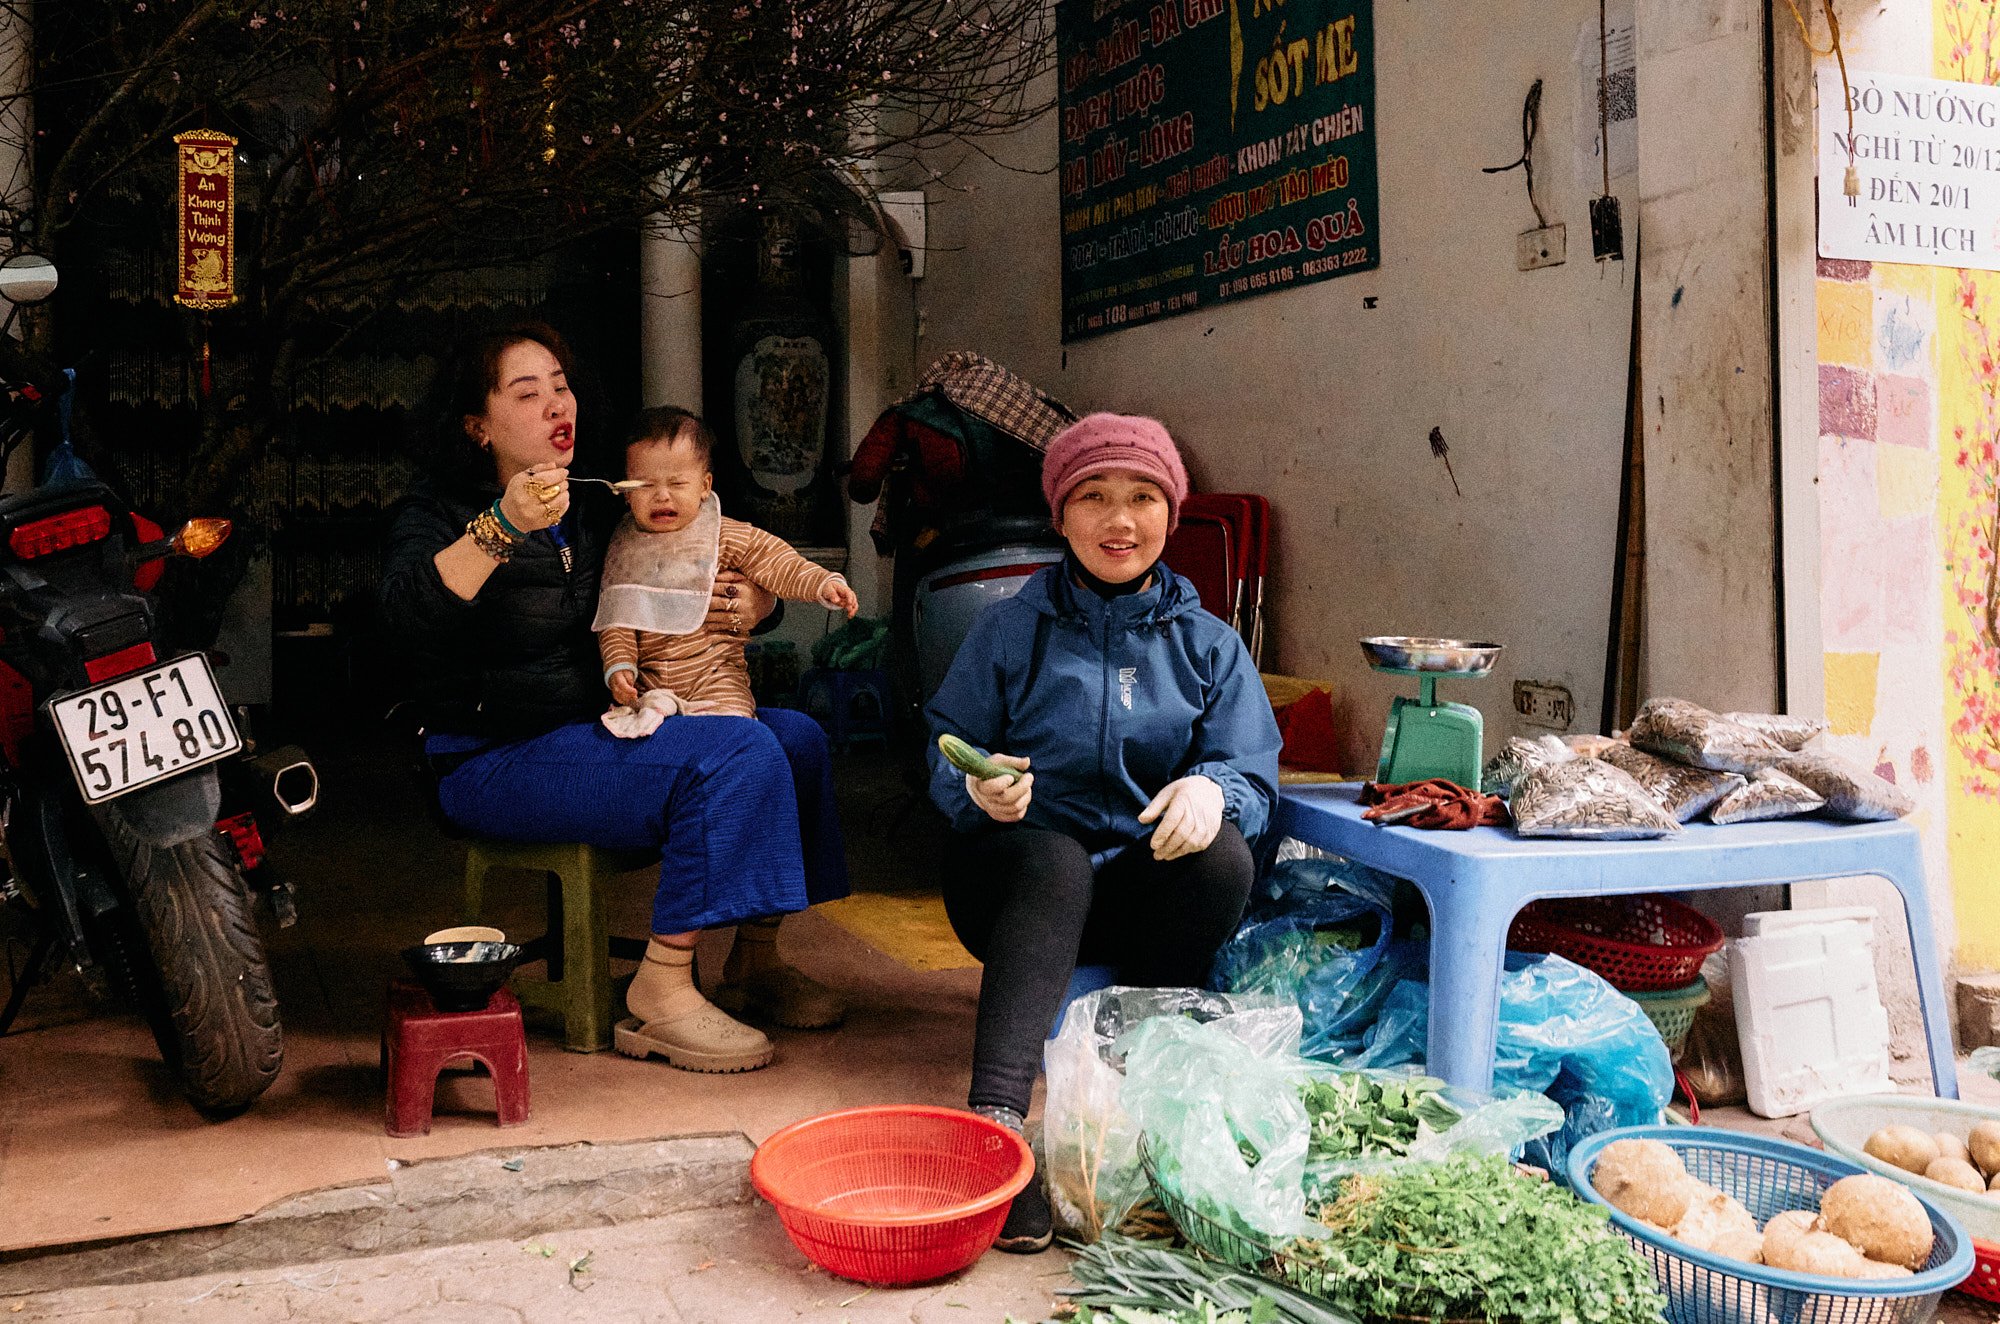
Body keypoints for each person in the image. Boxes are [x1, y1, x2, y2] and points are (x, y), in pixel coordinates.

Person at [378, 322, 849, 1076]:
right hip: (491, 758)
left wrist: (761, 603)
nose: (556, 404)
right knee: (735, 751)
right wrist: (501, 526)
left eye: (560, 385)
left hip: (598, 732)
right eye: (527, 394)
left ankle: (754, 961)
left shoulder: (599, 501)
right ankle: (661, 989)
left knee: (794, 739)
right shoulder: (436, 512)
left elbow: (704, 558)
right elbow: (403, 618)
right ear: (478, 425)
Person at [925, 412, 1283, 1252]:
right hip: (1016, 887)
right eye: (1093, 497)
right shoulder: (1011, 630)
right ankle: (1000, 1134)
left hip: (1136, 892)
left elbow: (1256, 776)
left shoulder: (1210, 646)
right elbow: (944, 754)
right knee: (1053, 859)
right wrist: (980, 787)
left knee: (1220, 857)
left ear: (1172, 511)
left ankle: (1128, 1118)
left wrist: (1215, 789)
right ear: (1060, 515)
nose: (1119, 521)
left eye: (1143, 497)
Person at [596, 408, 860, 728]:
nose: (661, 495)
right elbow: (616, 619)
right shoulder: (626, 548)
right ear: (625, 493)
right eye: (645, 485)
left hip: (716, 677)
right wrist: (619, 667)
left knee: (733, 728)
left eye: (677, 483)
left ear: (705, 485)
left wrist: (821, 582)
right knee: (642, 723)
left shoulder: (722, 535)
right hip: (651, 686)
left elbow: (778, 562)